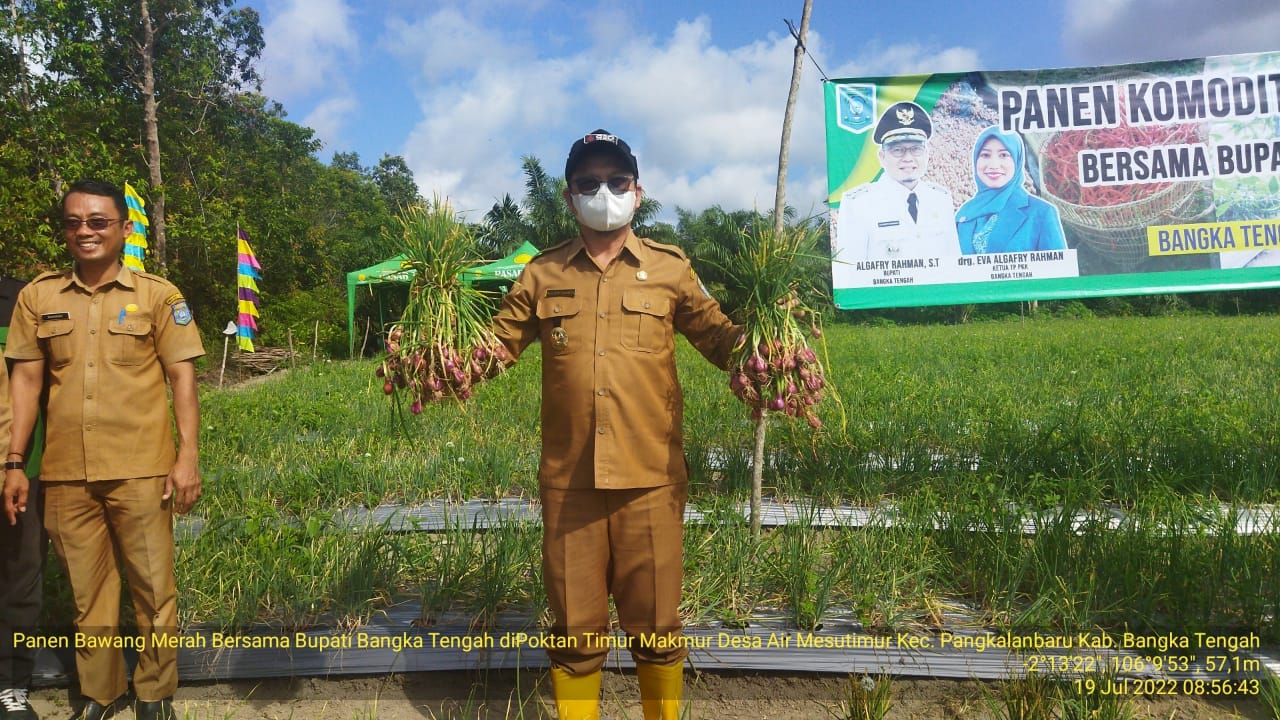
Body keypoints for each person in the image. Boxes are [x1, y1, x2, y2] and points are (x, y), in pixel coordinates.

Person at [488, 130, 740, 720]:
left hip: (650, 481)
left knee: (656, 629)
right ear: (570, 198)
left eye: (616, 181)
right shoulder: (541, 273)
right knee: (575, 634)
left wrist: (773, 345)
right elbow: (494, 347)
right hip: (570, 485)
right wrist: (436, 355)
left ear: (637, 190)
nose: (605, 191)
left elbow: (721, 339)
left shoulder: (671, 269)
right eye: (589, 183)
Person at [4, 179, 204, 720]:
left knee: (153, 588)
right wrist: (15, 462)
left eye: (98, 221)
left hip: (141, 468)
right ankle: (101, 692)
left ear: (124, 227)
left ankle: (155, 692)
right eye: (74, 222)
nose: (84, 231)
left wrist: (187, 457)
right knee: (87, 593)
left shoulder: (158, 296)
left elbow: (182, 380)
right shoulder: (39, 297)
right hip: (66, 471)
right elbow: (24, 382)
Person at [834, 101, 959, 263]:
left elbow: (954, 262)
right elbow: (849, 271)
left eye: (916, 149)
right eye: (898, 150)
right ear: (882, 157)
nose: (908, 158)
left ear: (926, 154)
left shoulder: (941, 198)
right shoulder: (858, 204)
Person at [2, 345, 43, 720]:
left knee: (20, 580)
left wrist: (14, 464)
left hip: (16, 468)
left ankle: (11, 685)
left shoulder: (22, 300)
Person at [956, 126, 1067, 254]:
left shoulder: (1042, 213)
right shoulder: (964, 215)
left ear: (1017, 159)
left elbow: (1060, 271)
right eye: (985, 155)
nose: (993, 165)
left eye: (1003, 155)